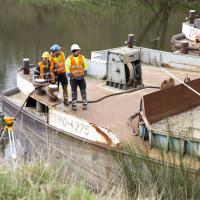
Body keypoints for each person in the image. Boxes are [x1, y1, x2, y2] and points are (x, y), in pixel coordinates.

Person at [66, 44, 88, 111]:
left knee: (83, 91)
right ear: (74, 51)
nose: (79, 51)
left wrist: (85, 70)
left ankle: (85, 104)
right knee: (74, 92)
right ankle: (74, 105)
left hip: (81, 78)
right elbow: (67, 67)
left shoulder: (82, 57)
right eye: (78, 50)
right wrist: (70, 75)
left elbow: (85, 64)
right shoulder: (69, 59)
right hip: (73, 79)